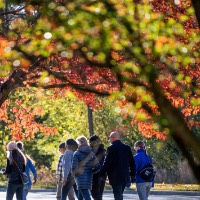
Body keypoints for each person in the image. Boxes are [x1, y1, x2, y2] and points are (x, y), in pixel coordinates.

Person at [100, 131, 136, 200]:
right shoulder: (127, 148)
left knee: (118, 195)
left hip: (115, 176)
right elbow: (132, 162)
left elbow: (107, 163)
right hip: (125, 175)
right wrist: (133, 175)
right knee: (119, 194)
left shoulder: (111, 148)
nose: (109, 139)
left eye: (109, 138)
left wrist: (101, 174)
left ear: (113, 138)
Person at [72, 136, 100, 200]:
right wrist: (90, 172)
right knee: (80, 195)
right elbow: (98, 167)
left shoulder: (76, 153)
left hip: (79, 177)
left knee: (85, 195)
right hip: (88, 178)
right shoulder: (91, 153)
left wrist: (74, 175)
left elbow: (73, 167)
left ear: (79, 143)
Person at [89, 135, 106, 200]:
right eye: (91, 142)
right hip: (96, 174)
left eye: (93, 142)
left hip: (99, 174)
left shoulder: (102, 151)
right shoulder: (90, 151)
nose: (92, 144)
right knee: (96, 194)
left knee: (97, 194)